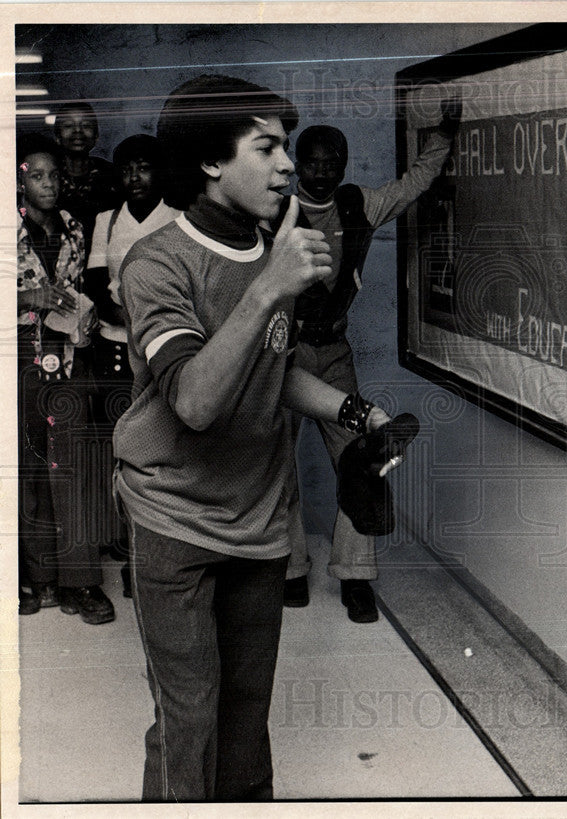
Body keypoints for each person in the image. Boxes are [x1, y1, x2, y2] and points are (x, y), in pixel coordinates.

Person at [113, 74, 402, 801]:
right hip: (173, 519)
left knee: (247, 718)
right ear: (211, 161)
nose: (287, 165)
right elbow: (195, 401)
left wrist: (356, 413)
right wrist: (271, 285)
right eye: (266, 146)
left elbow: (277, 369)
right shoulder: (156, 263)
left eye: (285, 147)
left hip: (259, 521)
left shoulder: (275, 249)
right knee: (190, 718)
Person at [283, 96, 460, 620]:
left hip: (334, 350)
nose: (321, 171)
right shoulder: (273, 211)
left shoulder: (359, 204)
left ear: (344, 164)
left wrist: (443, 136)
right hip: (281, 354)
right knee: (273, 464)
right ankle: (289, 569)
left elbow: (415, 183)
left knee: (361, 460)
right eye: (311, 161)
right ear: (296, 161)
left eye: (331, 162)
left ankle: (355, 577)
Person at [16, 132, 113, 624]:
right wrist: (25, 300)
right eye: (38, 176)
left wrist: (87, 317)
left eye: (54, 175)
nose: (50, 184)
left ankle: (83, 584)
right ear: (20, 180)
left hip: (70, 362)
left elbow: (78, 291)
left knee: (74, 470)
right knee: (28, 474)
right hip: (20, 365)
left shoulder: (75, 227)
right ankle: (39, 580)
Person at [85, 134, 181, 596]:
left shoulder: (179, 221)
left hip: (165, 356)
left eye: (143, 168)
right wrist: (136, 326)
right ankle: (126, 553)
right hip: (115, 352)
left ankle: (157, 554)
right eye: (126, 169)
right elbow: (97, 285)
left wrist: (151, 334)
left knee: (161, 450)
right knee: (121, 451)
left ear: (158, 171)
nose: (134, 177)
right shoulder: (105, 222)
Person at [52, 101, 123, 256]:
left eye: (86, 125)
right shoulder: (48, 178)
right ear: (57, 137)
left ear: (96, 137)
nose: (78, 131)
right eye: (69, 126)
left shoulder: (112, 176)